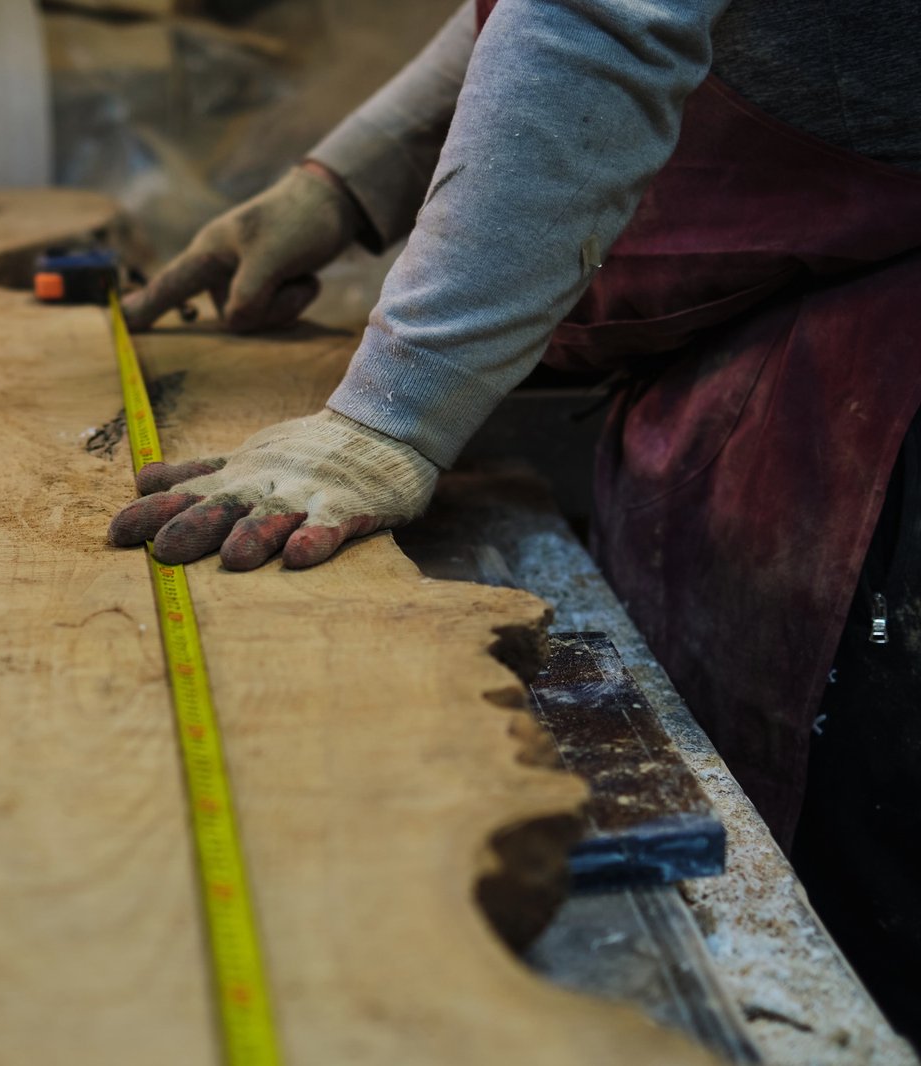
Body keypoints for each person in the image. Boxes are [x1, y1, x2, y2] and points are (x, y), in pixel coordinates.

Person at [108, 0, 921, 1038]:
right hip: (789, 313)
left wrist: (393, 411)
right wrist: (354, 175)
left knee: (873, 922)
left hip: (887, 365)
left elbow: (603, 15)